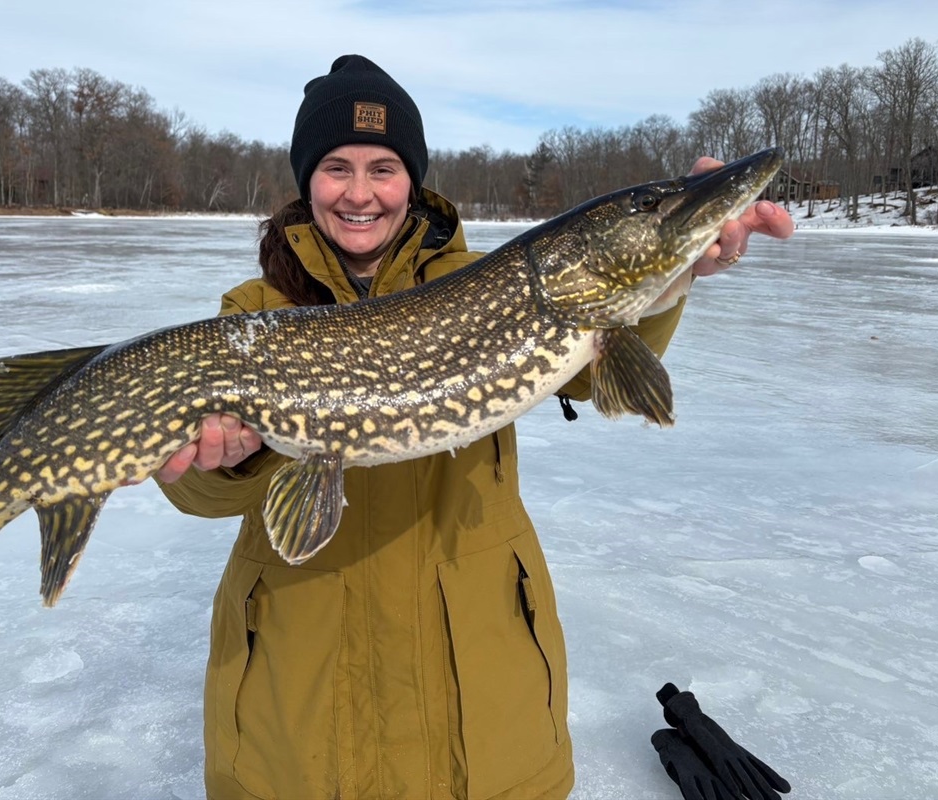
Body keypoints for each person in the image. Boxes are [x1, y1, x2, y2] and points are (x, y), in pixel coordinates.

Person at [155, 54, 795, 800]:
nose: (360, 193)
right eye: (336, 167)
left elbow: (599, 373)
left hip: (481, 692)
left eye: (384, 169)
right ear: (308, 180)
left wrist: (672, 277)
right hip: (299, 698)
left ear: (414, 180)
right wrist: (231, 461)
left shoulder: (492, 284)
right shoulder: (255, 312)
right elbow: (197, 492)